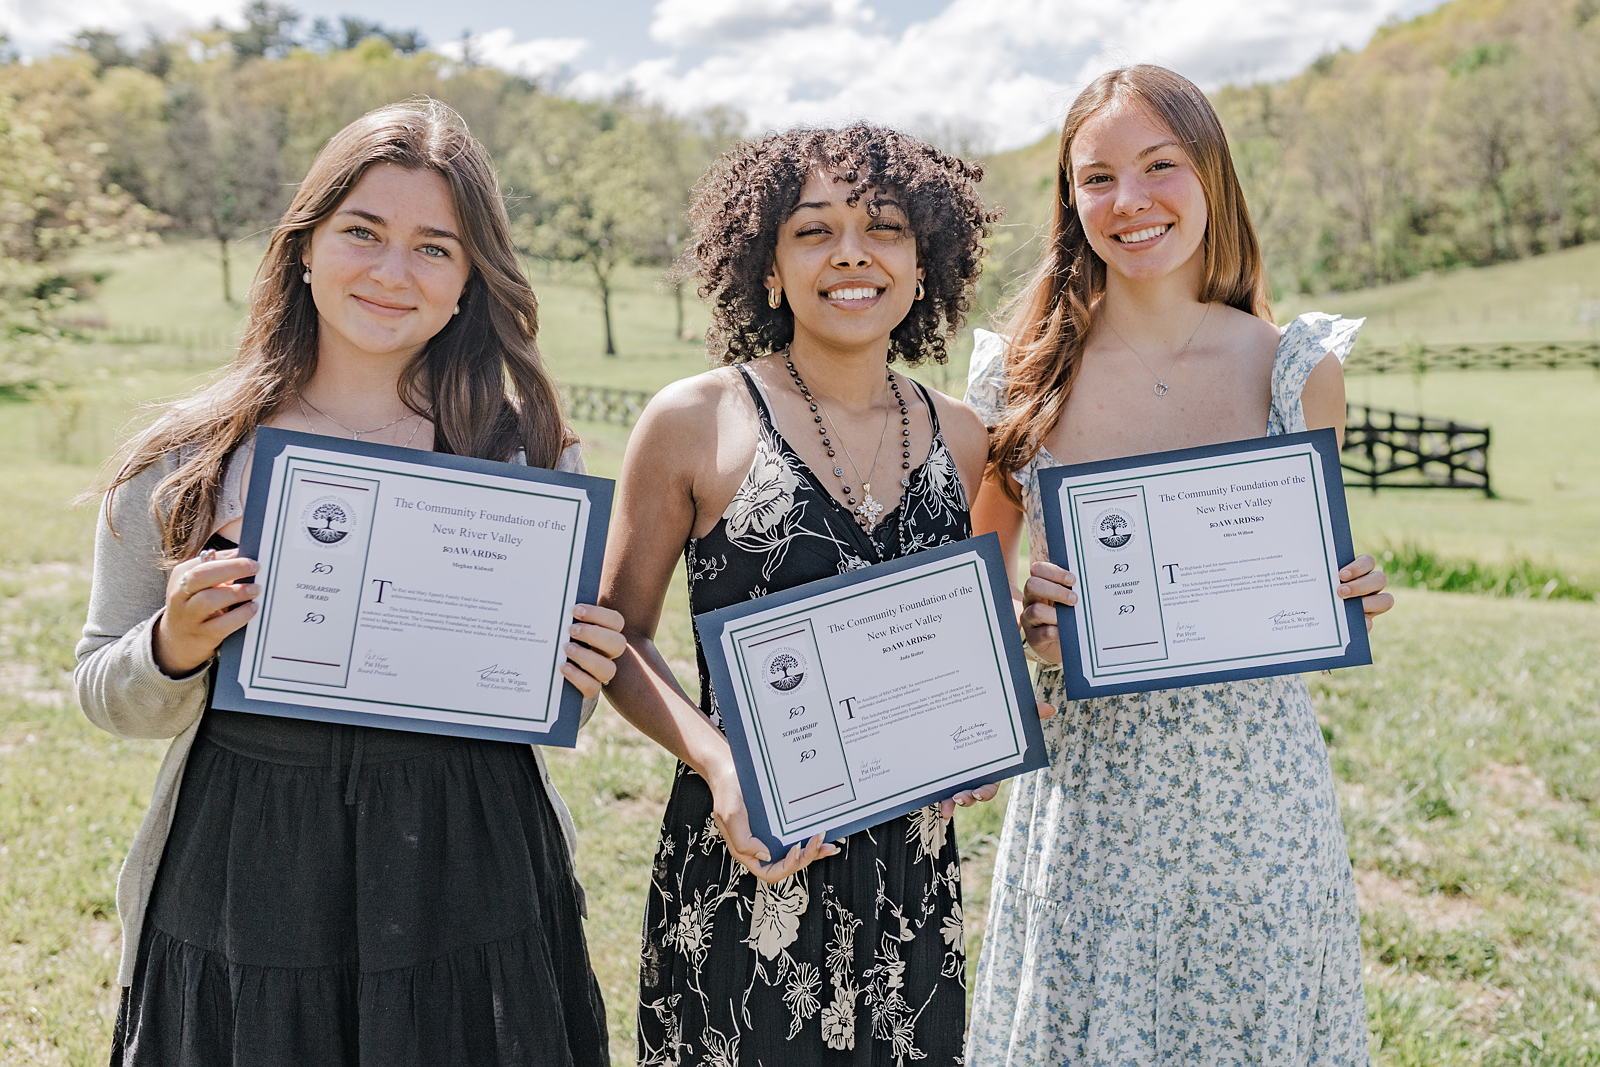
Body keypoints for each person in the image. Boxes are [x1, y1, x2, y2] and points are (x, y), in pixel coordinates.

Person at [76, 99, 623, 1066]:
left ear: (468, 281)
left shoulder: (528, 459)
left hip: (469, 849)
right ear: (303, 247)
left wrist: (575, 672)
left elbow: (555, 704)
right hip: (249, 850)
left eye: (433, 247)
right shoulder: (189, 460)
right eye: (361, 232)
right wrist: (175, 644)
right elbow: (103, 690)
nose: (390, 270)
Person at [962, 65, 1394, 1063]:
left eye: (1159, 166)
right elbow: (974, 596)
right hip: (1091, 801)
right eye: (1097, 176)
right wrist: (1020, 619)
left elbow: (1302, 578)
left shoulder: (1297, 368)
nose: (1130, 200)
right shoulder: (1021, 376)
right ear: (1070, 202)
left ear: (1211, 177)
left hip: (1260, 799)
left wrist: (1353, 595)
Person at [600, 124, 1002, 1063]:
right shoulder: (695, 421)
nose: (853, 253)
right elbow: (616, 638)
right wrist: (721, 766)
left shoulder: (963, 436)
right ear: (768, 266)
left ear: (923, 263)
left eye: (887, 228)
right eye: (814, 231)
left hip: (911, 884)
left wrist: (981, 725)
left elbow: (959, 638)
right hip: (750, 861)